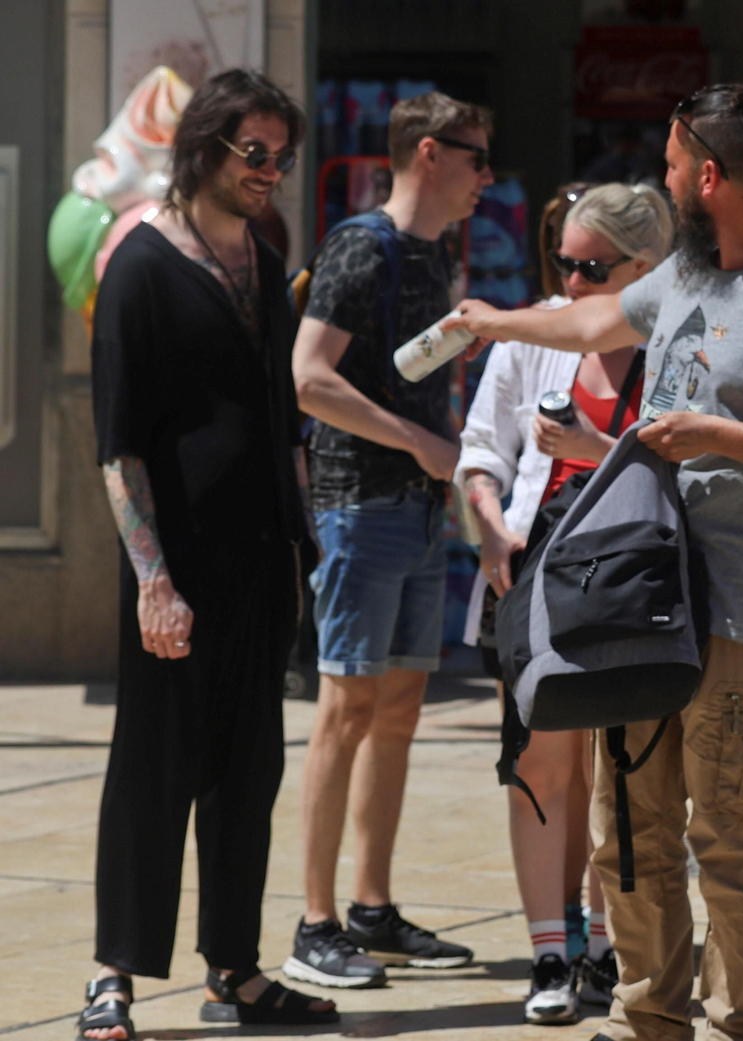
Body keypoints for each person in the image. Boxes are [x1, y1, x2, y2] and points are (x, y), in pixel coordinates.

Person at [443, 82, 743, 1041]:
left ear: (711, 176)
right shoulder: (687, 274)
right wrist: (495, 322)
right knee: (631, 838)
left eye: (675, 165)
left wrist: (716, 434)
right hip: (646, 607)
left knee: (731, 847)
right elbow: (595, 324)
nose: (667, 179)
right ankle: (650, 1019)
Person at [82, 69, 335, 1040]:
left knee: (246, 776)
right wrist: (152, 581)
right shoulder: (142, 267)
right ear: (205, 151)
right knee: (152, 773)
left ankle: (236, 970)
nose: (272, 171)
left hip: (262, 568)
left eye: (283, 154)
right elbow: (120, 446)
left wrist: (304, 546)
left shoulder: (269, 267)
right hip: (175, 576)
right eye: (255, 153)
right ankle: (114, 975)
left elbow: (282, 425)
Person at [287, 90, 493, 987]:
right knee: (346, 709)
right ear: (429, 154)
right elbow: (309, 377)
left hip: (416, 508)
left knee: (400, 710)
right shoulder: (358, 245)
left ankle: (370, 907)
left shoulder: (432, 251)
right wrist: (420, 441)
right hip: (359, 503)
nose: (488, 175)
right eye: (478, 156)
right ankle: (314, 919)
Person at [456, 182, 675, 1022]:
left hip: (637, 583)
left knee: (625, 771)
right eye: (564, 264)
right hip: (536, 578)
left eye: (591, 267)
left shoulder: (675, 341)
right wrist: (487, 524)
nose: (571, 283)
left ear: (645, 268)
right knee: (543, 765)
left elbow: (694, 463)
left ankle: (605, 943)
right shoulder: (532, 338)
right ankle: (551, 953)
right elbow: (481, 453)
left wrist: (597, 448)